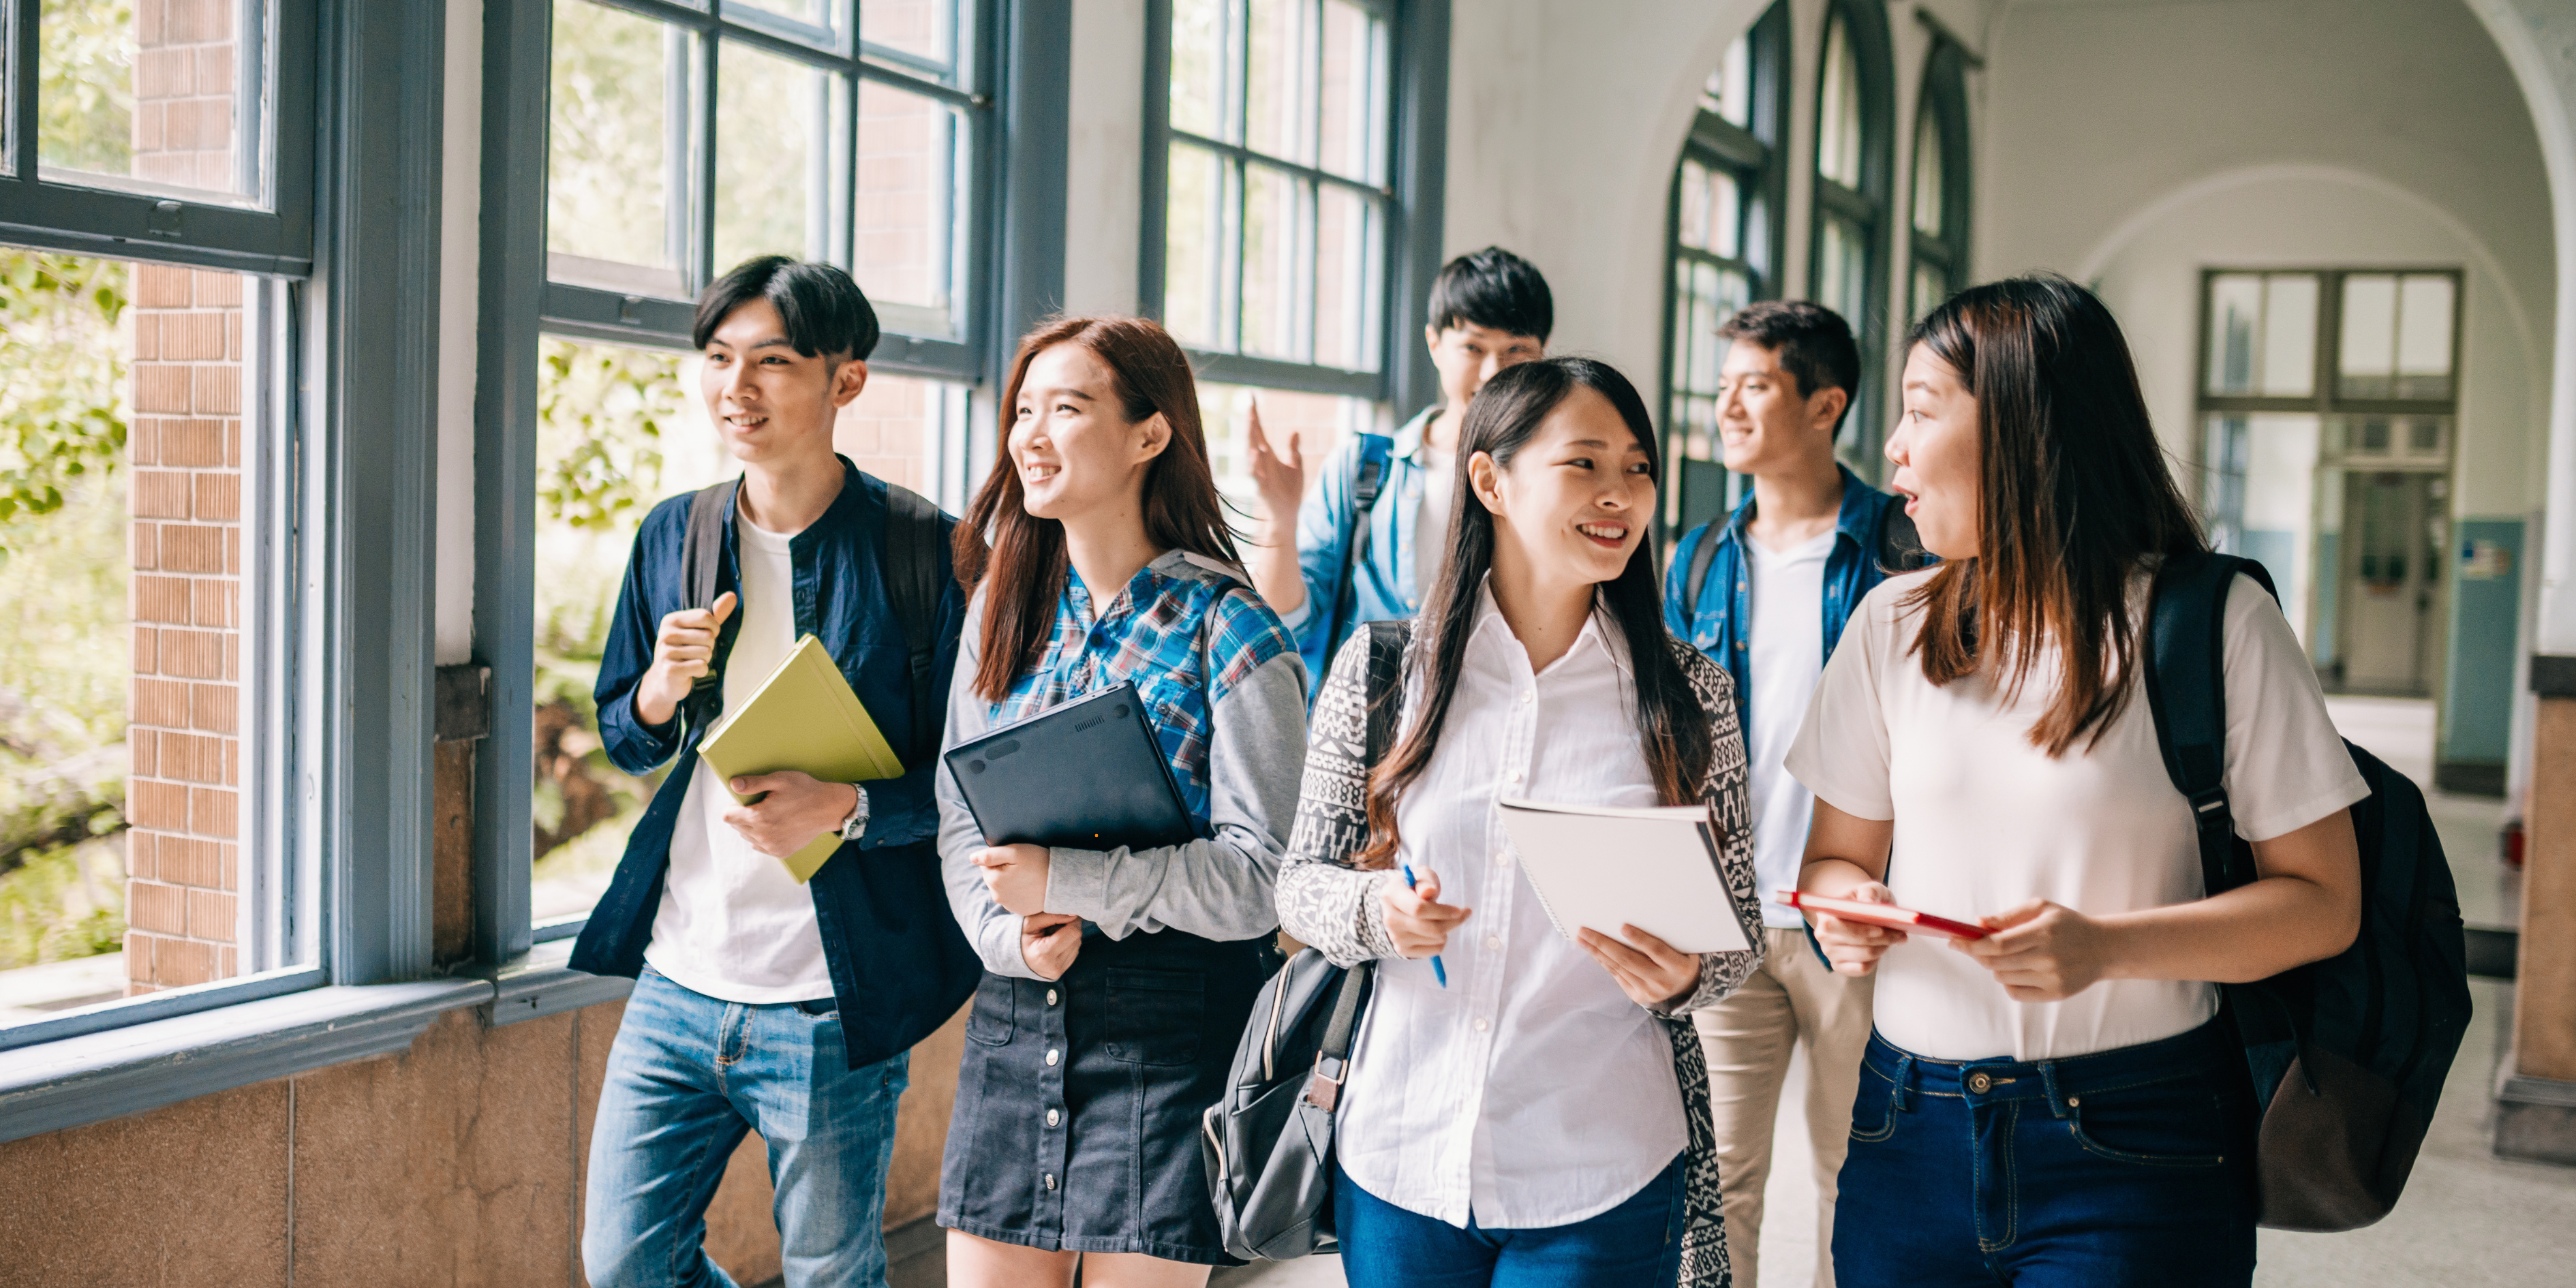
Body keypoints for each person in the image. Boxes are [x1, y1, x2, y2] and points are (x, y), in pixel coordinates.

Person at [1792, 275, 2368, 1287]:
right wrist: (1847, 912)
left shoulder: (2212, 623)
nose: (1892, 447)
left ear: (2023, 431)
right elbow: (1837, 857)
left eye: (1922, 412)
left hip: (2136, 1135)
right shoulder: (1890, 625)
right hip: (1905, 1126)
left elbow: (2323, 904)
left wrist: (2104, 947)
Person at [1275, 356, 1767, 1288]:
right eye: (1584, 464)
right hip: (1400, 1155)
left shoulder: (1689, 694)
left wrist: (1692, 971)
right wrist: (1382, 911)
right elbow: (1299, 887)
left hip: (1603, 1165)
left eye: (1638, 468)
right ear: (1490, 479)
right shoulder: (1385, 672)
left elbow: (1738, 928)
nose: (1620, 494)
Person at [573, 256, 980, 1288]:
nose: (734, 389)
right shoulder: (677, 531)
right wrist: (660, 692)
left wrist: (849, 805)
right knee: (624, 1262)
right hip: (679, 978)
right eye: (717, 359)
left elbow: (974, 778)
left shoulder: (924, 551)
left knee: (832, 1272)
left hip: (829, 995)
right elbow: (626, 732)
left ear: (846, 380)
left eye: (772, 361)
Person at [934, 316, 1309, 1288]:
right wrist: (1004, 933)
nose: (1033, 434)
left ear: (1151, 434)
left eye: (1068, 407)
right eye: (1024, 409)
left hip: (1168, 1037)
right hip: (1016, 1019)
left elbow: (1266, 880)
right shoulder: (1000, 602)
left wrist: (1071, 878)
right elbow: (959, 813)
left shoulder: (1231, 626)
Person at [1659, 301, 1916, 1288]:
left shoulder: (1900, 549)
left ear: (1826, 404)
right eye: (1722, 384)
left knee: (1855, 1170)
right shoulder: (1700, 555)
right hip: (1726, 916)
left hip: (1855, 913)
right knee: (1718, 1180)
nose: (1727, 404)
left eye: (1753, 384)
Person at [1243, 247, 1554, 687]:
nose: (1492, 372)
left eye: (1515, 350)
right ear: (1435, 344)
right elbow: (1289, 625)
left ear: (1543, 356)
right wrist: (1279, 520)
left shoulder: (1556, 481)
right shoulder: (1365, 470)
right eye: (1473, 347)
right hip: (1370, 736)